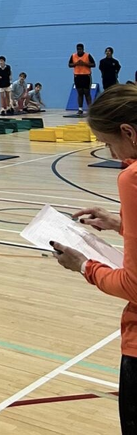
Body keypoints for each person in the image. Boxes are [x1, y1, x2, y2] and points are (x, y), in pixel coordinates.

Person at [50, 84, 137, 433]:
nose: (114, 155)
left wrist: (84, 265)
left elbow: (133, 285)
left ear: (128, 132)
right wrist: (120, 224)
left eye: (109, 144)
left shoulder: (132, 178)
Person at [69, 43, 96, 115]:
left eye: (80, 49)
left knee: (87, 93)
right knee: (80, 93)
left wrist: (85, 64)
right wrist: (76, 64)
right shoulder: (73, 56)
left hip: (86, 76)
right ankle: (80, 109)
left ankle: (90, 109)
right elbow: (70, 64)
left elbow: (93, 64)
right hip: (77, 76)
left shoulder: (87, 55)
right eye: (78, 49)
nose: (79, 50)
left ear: (83, 49)